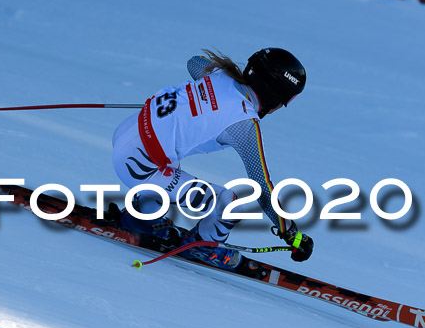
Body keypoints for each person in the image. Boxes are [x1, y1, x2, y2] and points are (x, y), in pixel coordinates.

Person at [111, 48, 314, 269]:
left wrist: (199, 97)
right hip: (139, 166)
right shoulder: (244, 124)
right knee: (231, 203)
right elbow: (263, 187)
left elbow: (194, 62)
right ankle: (203, 247)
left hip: (126, 132)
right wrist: (291, 233)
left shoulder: (218, 74)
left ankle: (144, 214)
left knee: (171, 162)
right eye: (287, 100)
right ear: (274, 94)